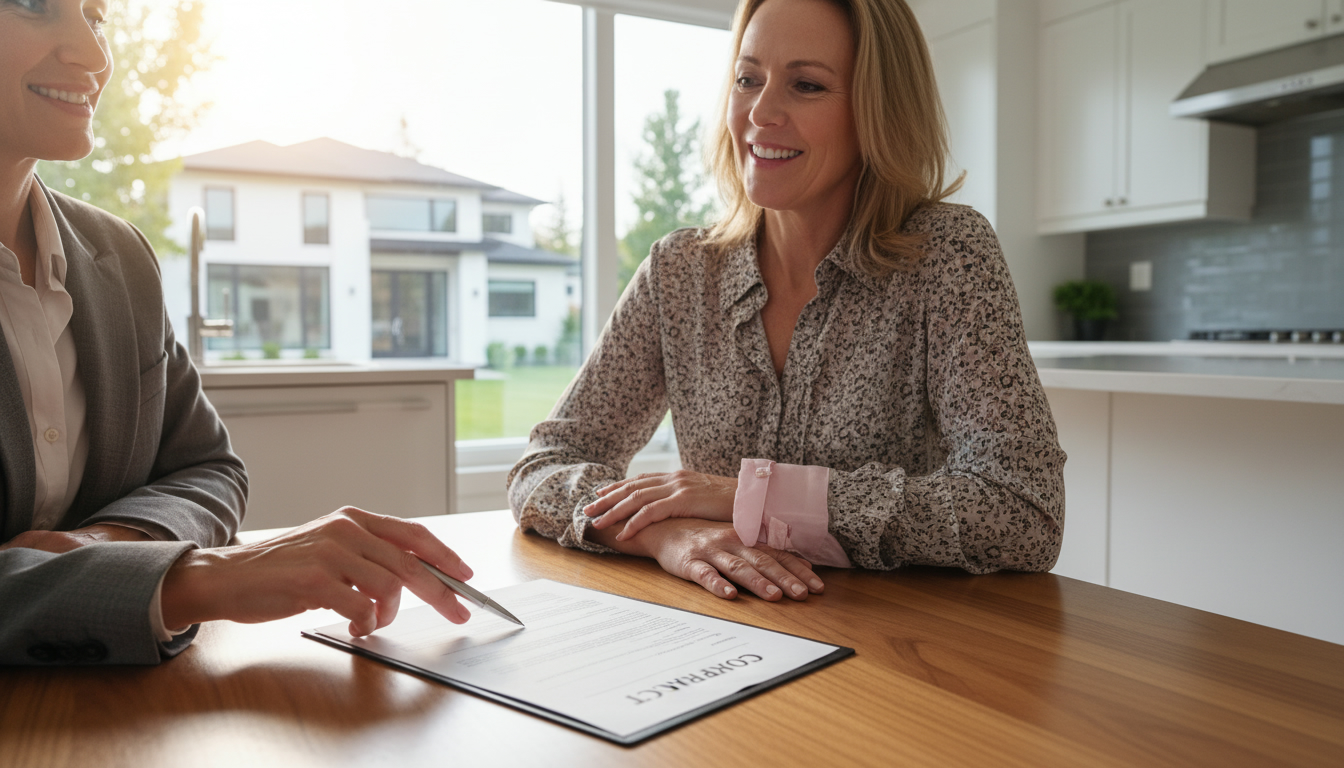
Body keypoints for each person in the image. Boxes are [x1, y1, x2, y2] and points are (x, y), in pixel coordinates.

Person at [508, 0, 1066, 602]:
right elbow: (545, 465)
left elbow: (1022, 510)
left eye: (806, 85)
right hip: (725, 632)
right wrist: (667, 535)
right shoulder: (679, 272)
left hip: (899, 651)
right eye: (748, 79)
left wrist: (752, 496)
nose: (760, 112)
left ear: (878, 111)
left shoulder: (948, 255)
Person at [0, 0, 472, 666]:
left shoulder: (119, 258)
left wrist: (104, 543)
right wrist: (194, 579)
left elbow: (209, 468)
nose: (94, 54)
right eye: (33, 4)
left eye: (97, 15)